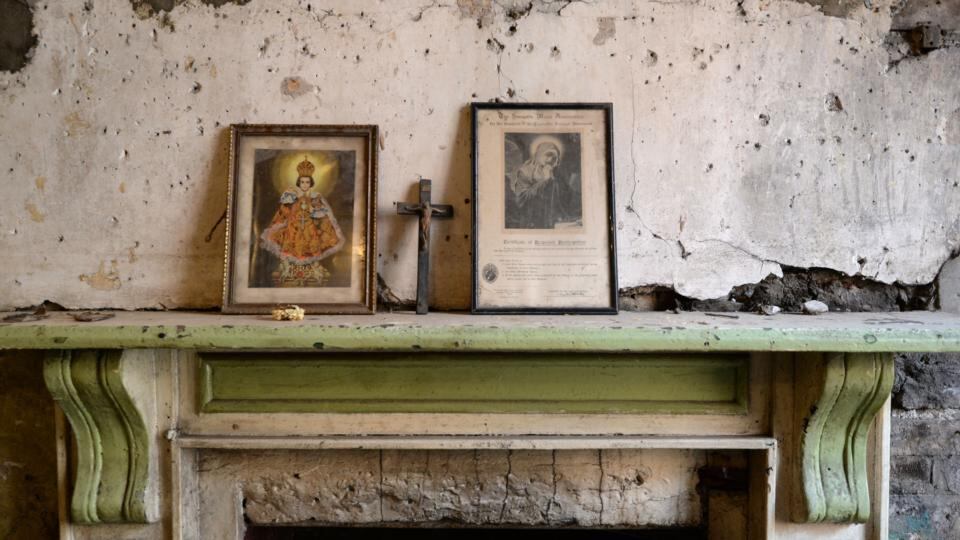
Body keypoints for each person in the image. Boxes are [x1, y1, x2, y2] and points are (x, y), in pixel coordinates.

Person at [260, 156, 344, 286]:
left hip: (310, 229)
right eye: (303, 182)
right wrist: (290, 204)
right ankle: (291, 269)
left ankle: (310, 269)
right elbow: (284, 212)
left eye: (307, 182)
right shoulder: (292, 195)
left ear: (311, 183)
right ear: (299, 182)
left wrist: (313, 210)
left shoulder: (315, 197)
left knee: (311, 249)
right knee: (292, 248)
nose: (305, 185)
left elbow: (322, 214)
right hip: (293, 228)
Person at [507, 141, 577, 229]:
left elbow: (565, 198)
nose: (550, 159)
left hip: (552, 221)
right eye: (548, 155)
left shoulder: (556, 174)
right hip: (531, 222)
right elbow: (521, 200)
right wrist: (544, 180)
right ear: (539, 154)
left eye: (554, 157)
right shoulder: (525, 172)